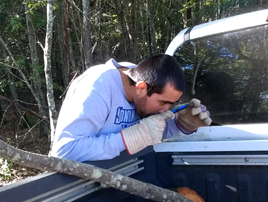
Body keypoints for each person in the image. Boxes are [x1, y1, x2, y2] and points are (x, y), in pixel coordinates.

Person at [51, 54, 211, 162]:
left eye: (171, 104)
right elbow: (65, 151)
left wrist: (180, 125)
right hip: (79, 191)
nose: (165, 110)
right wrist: (130, 138)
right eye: (162, 103)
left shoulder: (141, 84)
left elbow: (147, 132)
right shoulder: (97, 87)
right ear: (141, 88)